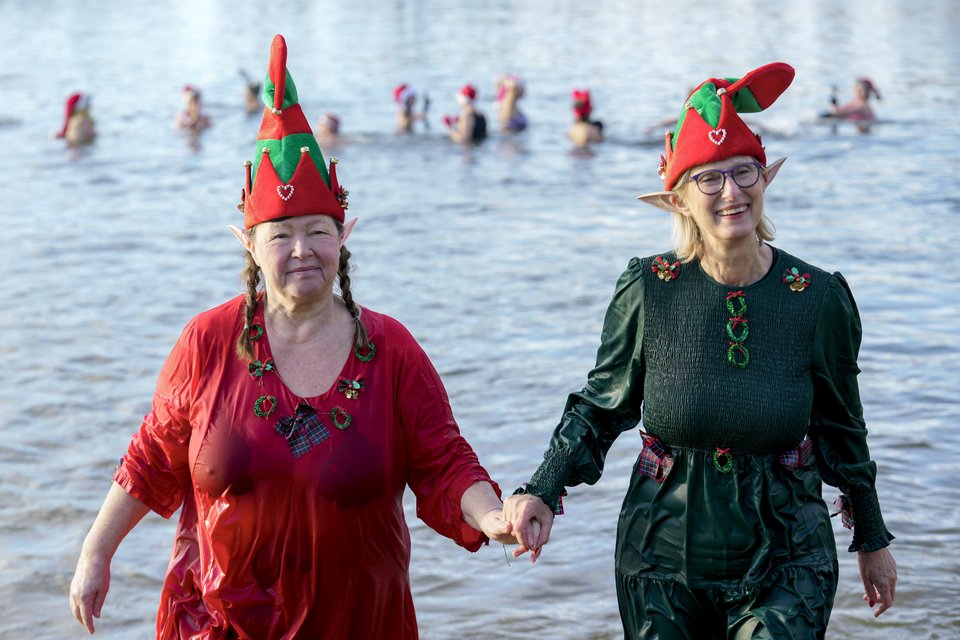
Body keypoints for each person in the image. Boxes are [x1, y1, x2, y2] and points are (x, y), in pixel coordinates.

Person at [70, 34, 514, 638]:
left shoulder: (390, 350)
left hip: (359, 621)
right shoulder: (207, 341)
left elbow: (443, 461)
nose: (302, 251)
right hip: (217, 624)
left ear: (343, 236)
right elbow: (154, 455)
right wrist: (96, 552)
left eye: (318, 231)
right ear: (249, 244)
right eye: (280, 236)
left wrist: (493, 517)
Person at [502, 62, 897, 639]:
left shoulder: (816, 297)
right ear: (681, 199)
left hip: (789, 548)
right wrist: (543, 486)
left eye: (744, 173)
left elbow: (843, 423)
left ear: (765, 180)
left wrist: (871, 537)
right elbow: (603, 404)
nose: (731, 192)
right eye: (709, 179)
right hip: (661, 551)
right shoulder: (649, 288)